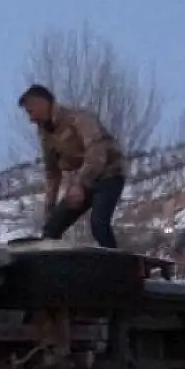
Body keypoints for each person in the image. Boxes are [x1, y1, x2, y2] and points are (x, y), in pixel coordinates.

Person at [18, 84, 127, 249]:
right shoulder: (45, 133)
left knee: (99, 225)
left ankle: (118, 262)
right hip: (82, 182)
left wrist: (79, 183)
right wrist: (50, 209)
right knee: (51, 229)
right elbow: (52, 172)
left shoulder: (80, 118)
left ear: (42, 104)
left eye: (30, 111)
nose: (31, 119)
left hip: (109, 174)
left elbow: (97, 154)